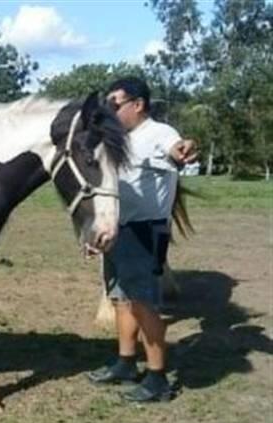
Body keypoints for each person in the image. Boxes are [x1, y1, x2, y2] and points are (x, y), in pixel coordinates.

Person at [87, 77, 197, 402]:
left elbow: (178, 149)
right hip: (120, 228)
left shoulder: (159, 134)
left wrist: (184, 150)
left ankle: (158, 377)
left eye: (115, 104)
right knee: (121, 298)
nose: (110, 110)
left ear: (138, 104)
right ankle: (125, 362)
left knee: (144, 304)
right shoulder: (119, 139)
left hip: (148, 230)